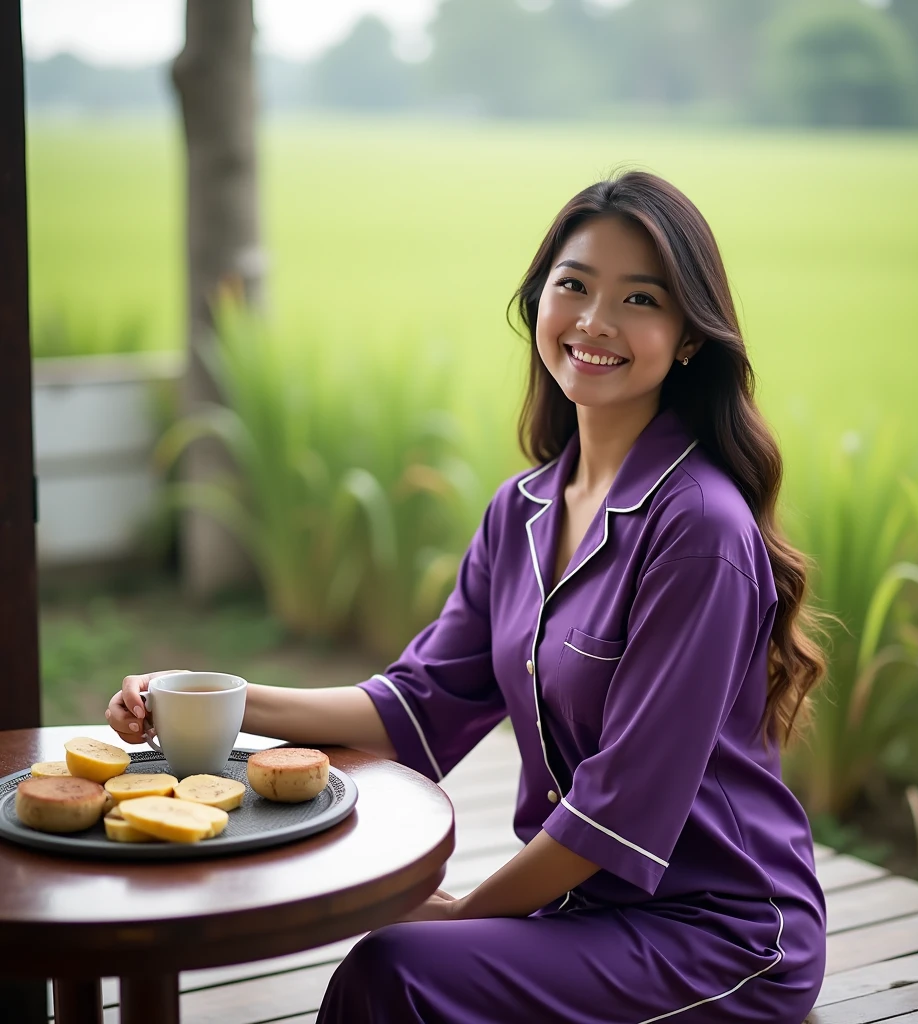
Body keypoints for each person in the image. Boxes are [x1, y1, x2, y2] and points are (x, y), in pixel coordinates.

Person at [108, 170, 828, 1023]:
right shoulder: (520, 511)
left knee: (399, 972)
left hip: (719, 934)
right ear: (540, 304)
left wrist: (466, 914)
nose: (595, 322)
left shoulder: (699, 529)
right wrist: (208, 698)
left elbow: (619, 808)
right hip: (581, 910)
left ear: (690, 340)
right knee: (399, 961)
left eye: (640, 298)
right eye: (574, 285)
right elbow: (413, 706)